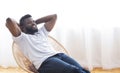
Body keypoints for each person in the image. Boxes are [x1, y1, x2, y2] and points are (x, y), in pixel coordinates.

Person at [6, 14, 90, 73]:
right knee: (75, 71)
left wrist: (34, 22)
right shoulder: (21, 38)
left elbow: (54, 16)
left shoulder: (41, 32)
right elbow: (9, 21)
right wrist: (20, 26)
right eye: (29, 22)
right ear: (22, 27)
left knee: (84, 70)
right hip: (45, 62)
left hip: (60, 55)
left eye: (33, 21)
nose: (33, 23)